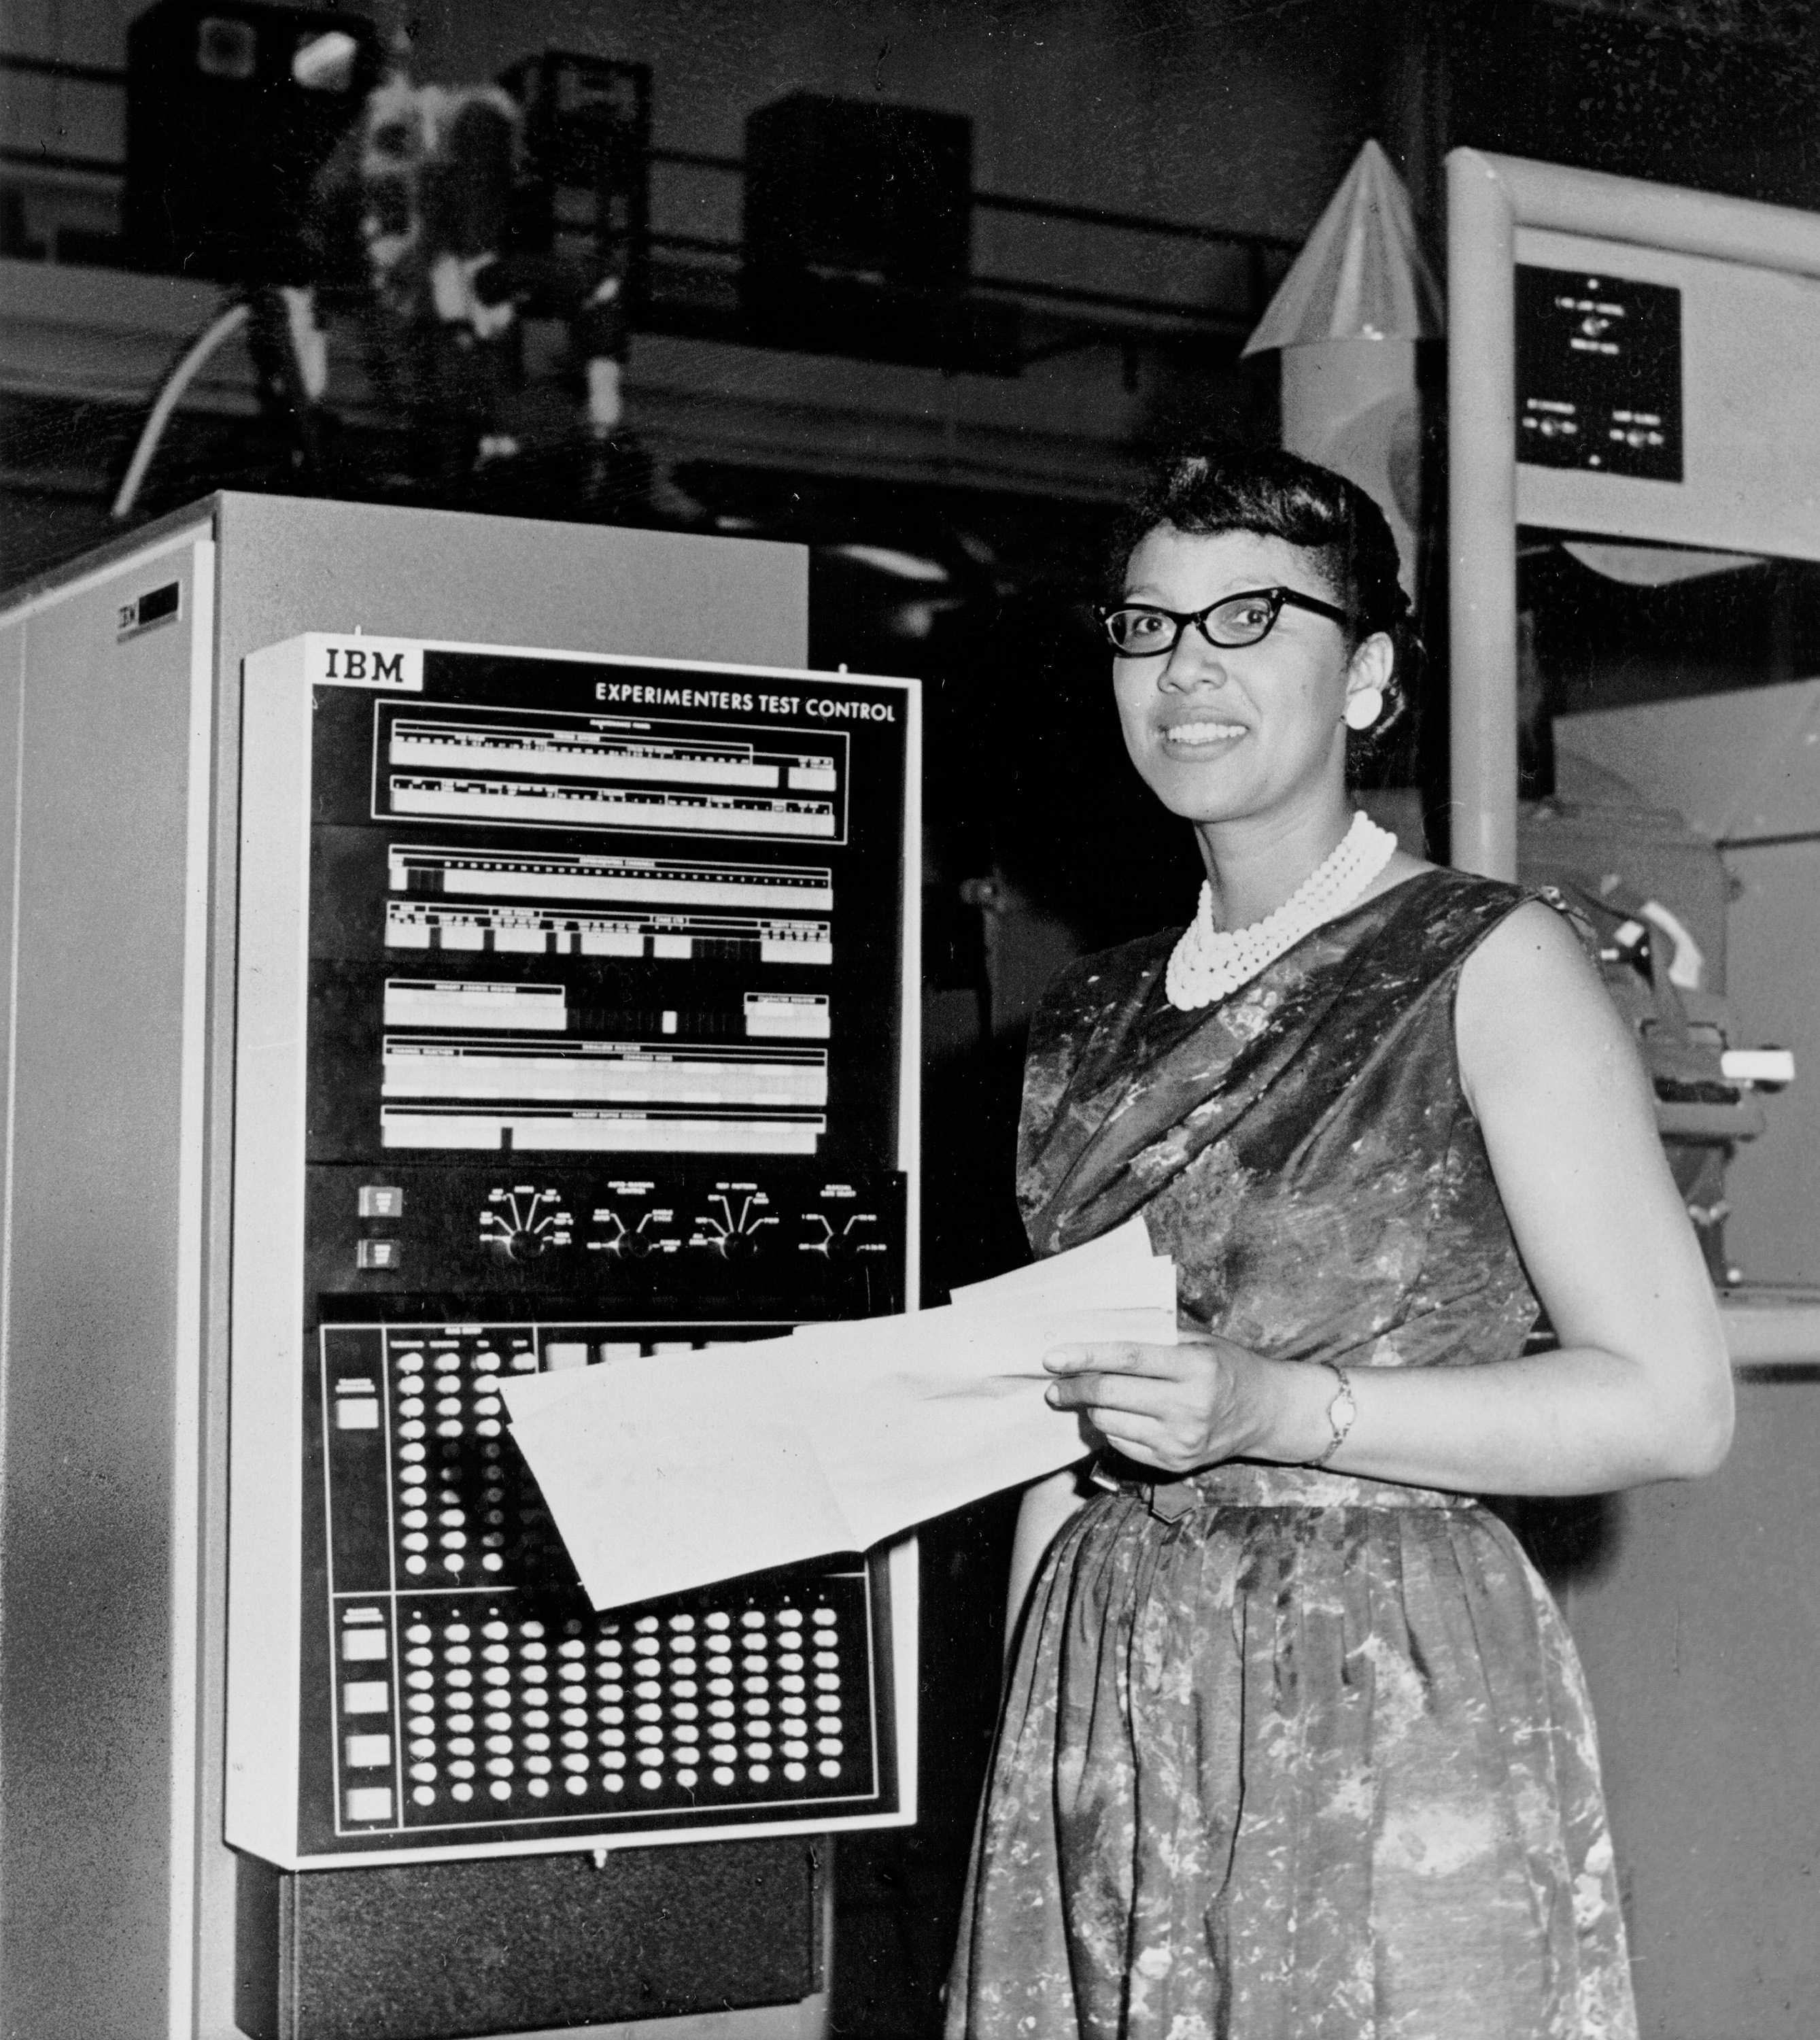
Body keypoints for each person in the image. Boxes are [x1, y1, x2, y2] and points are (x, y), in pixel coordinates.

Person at [943, 445, 1732, 2040]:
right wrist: (1027, 1760)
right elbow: (1066, 1436)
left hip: (1384, 1680)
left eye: (1250, 620)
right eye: (1147, 626)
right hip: (1112, 1681)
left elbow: (1672, 1404)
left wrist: (1281, 1409)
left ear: (1367, 674)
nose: (1185, 670)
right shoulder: (1087, 1016)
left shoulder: (1488, 962)